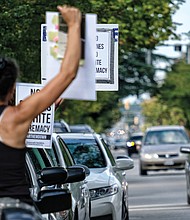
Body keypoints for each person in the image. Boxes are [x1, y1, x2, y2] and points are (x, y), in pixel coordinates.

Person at [0, 5, 81, 205]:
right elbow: (67, 73)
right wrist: (73, 25)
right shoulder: (14, 118)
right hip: (16, 207)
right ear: (12, 88)